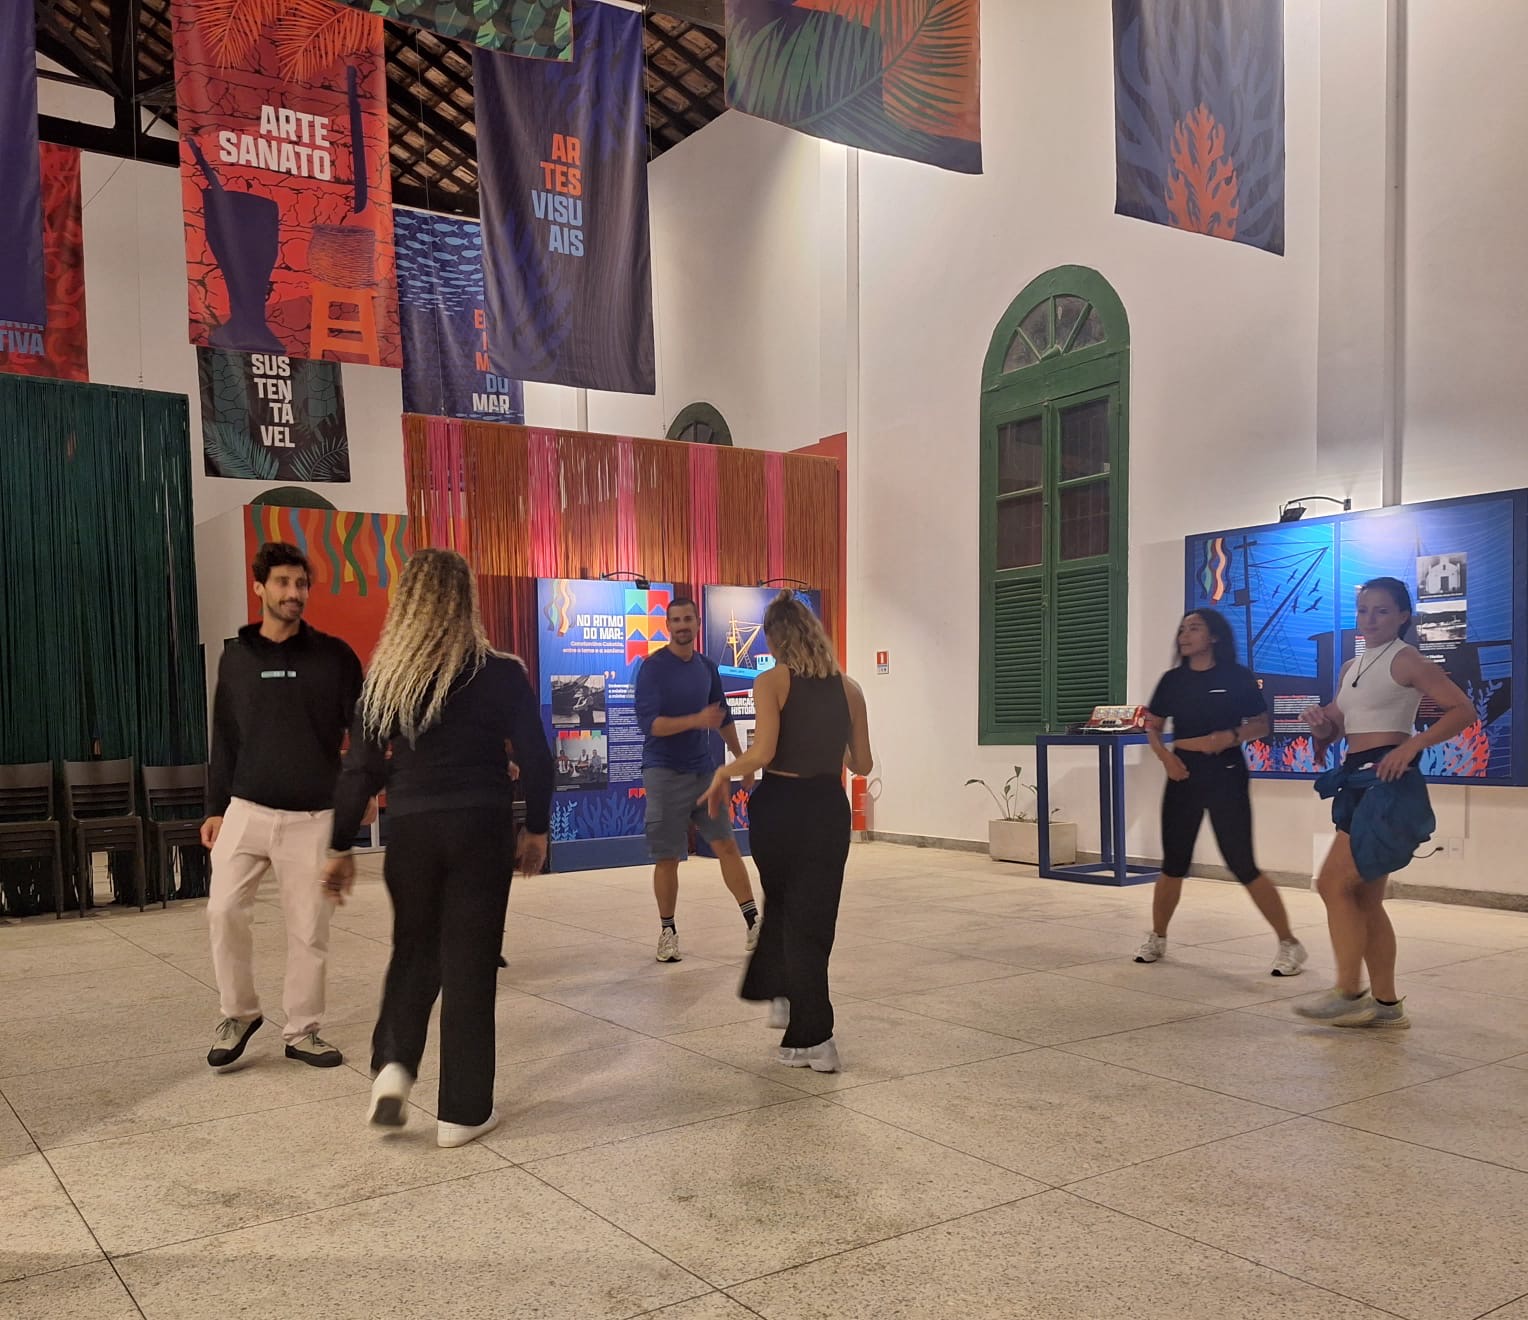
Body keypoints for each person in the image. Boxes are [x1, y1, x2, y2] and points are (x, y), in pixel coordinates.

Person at [320, 549, 552, 1148]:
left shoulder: (387, 678)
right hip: (480, 826)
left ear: (406, 603)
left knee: (414, 949)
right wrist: (536, 828)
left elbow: (360, 769)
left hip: (412, 831)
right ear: (466, 600)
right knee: (470, 962)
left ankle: (394, 1068)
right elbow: (536, 755)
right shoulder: (501, 672)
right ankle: (462, 1113)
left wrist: (339, 844)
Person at [201, 542, 364, 1071]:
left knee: (309, 928)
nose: (294, 593)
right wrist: (215, 806)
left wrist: (358, 796)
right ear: (260, 587)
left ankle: (303, 1031)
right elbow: (225, 736)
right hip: (246, 810)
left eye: (301, 584)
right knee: (222, 911)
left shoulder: (334, 657)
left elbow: (364, 732)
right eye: (283, 583)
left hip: (313, 817)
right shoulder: (237, 657)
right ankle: (240, 1013)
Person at [700, 592, 872, 1074]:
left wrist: (723, 772)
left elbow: (764, 754)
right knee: (810, 915)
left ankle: (815, 1035)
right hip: (828, 810)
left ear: (775, 638)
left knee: (793, 915)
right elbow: (862, 763)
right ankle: (782, 994)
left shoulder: (772, 681)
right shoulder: (851, 689)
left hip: (782, 808)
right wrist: (828, 744)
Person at [1295, 576, 1475, 1028]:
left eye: (1381, 611)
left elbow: (1462, 710)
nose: (1370, 619)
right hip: (1357, 778)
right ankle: (1387, 1006)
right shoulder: (1351, 667)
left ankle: (1347, 991)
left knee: (1332, 883)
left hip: (1387, 782)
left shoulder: (1407, 659)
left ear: (1402, 616)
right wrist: (1319, 724)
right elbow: (1337, 724)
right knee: (1365, 898)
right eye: (1363, 610)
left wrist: (1412, 745)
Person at [1138, 609, 1307, 975]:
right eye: (1182, 629)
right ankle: (1157, 937)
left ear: (1214, 636)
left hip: (1226, 773)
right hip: (1182, 773)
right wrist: (1166, 758)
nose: (1185, 635)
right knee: (1173, 863)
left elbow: (1261, 725)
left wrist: (1230, 736)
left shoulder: (1236, 677)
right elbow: (1153, 726)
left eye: (1194, 628)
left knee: (1241, 862)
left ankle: (1290, 944)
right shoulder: (1172, 680)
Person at [635, 597, 759, 962]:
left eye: (687, 619)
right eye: (675, 620)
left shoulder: (707, 667)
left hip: (703, 772)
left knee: (726, 845)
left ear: (697, 622)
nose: (682, 625)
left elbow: (722, 717)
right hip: (663, 772)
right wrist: (695, 720)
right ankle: (668, 931)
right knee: (667, 857)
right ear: (667, 626)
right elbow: (651, 725)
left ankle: (754, 923)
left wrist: (743, 760)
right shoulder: (652, 668)